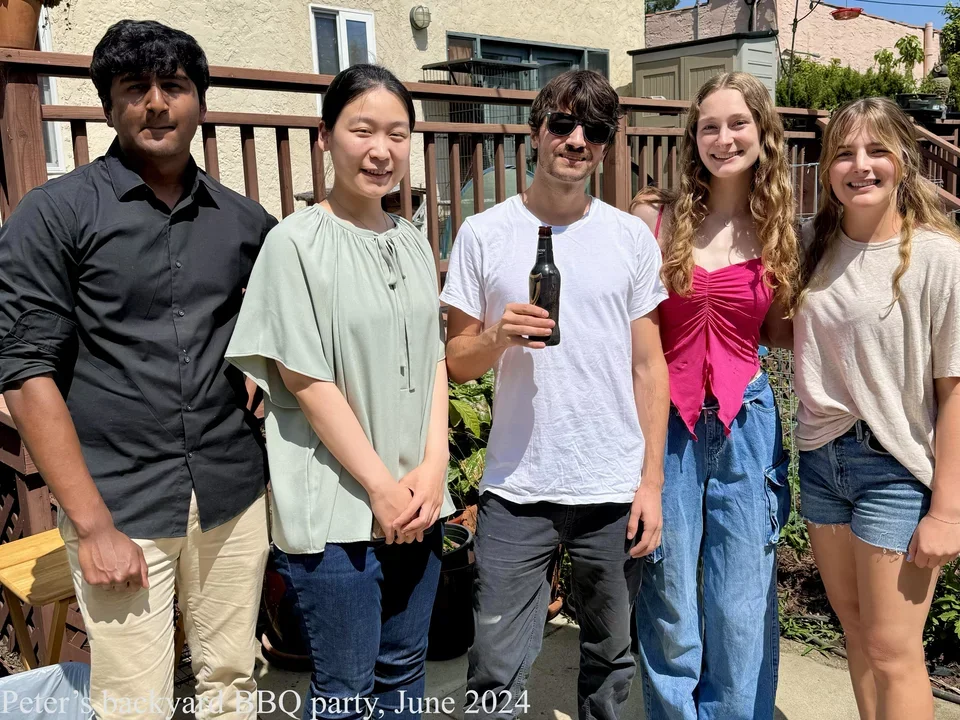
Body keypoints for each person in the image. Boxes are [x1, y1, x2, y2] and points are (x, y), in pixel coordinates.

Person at [0, 20, 274, 720]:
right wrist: (92, 527)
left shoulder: (247, 224)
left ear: (199, 101)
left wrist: (264, 366)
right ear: (108, 104)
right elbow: (26, 373)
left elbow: (282, 325)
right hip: (120, 500)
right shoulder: (55, 215)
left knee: (232, 683)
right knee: (134, 704)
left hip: (232, 491)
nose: (156, 103)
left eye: (174, 86)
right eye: (135, 88)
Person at [226, 64, 456, 720]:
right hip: (338, 516)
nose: (382, 149)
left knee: (406, 671)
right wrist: (381, 488)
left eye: (397, 133)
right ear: (326, 137)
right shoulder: (294, 245)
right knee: (347, 689)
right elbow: (305, 380)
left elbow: (436, 360)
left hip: (417, 505)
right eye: (362, 130)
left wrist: (433, 469)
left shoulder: (411, 240)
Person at [441, 69, 670, 720]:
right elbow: (456, 364)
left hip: (611, 487)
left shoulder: (629, 238)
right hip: (518, 489)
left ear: (606, 145)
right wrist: (498, 337)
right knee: (495, 665)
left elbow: (650, 368)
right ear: (536, 130)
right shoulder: (484, 234)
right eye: (563, 124)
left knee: (609, 656)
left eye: (594, 130)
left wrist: (650, 482)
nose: (577, 139)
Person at [630, 71, 798, 720]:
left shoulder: (777, 228)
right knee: (669, 595)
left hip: (746, 424)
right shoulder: (654, 218)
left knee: (738, 600)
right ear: (692, 138)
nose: (723, 138)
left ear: (762, 133)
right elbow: (628, 335)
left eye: (737, 124)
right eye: (709, 126)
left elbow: (783, 331)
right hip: (664, 425)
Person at [793, 97, 960, 720]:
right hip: (820, 457)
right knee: (857, 635)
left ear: (904, 161)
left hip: (895, 468)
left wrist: (948, 508)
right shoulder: (813, 242)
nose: (859, 166)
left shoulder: (939, 257)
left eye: (876, 150)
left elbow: (954, 388)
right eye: (843, 153)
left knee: (894, 650)